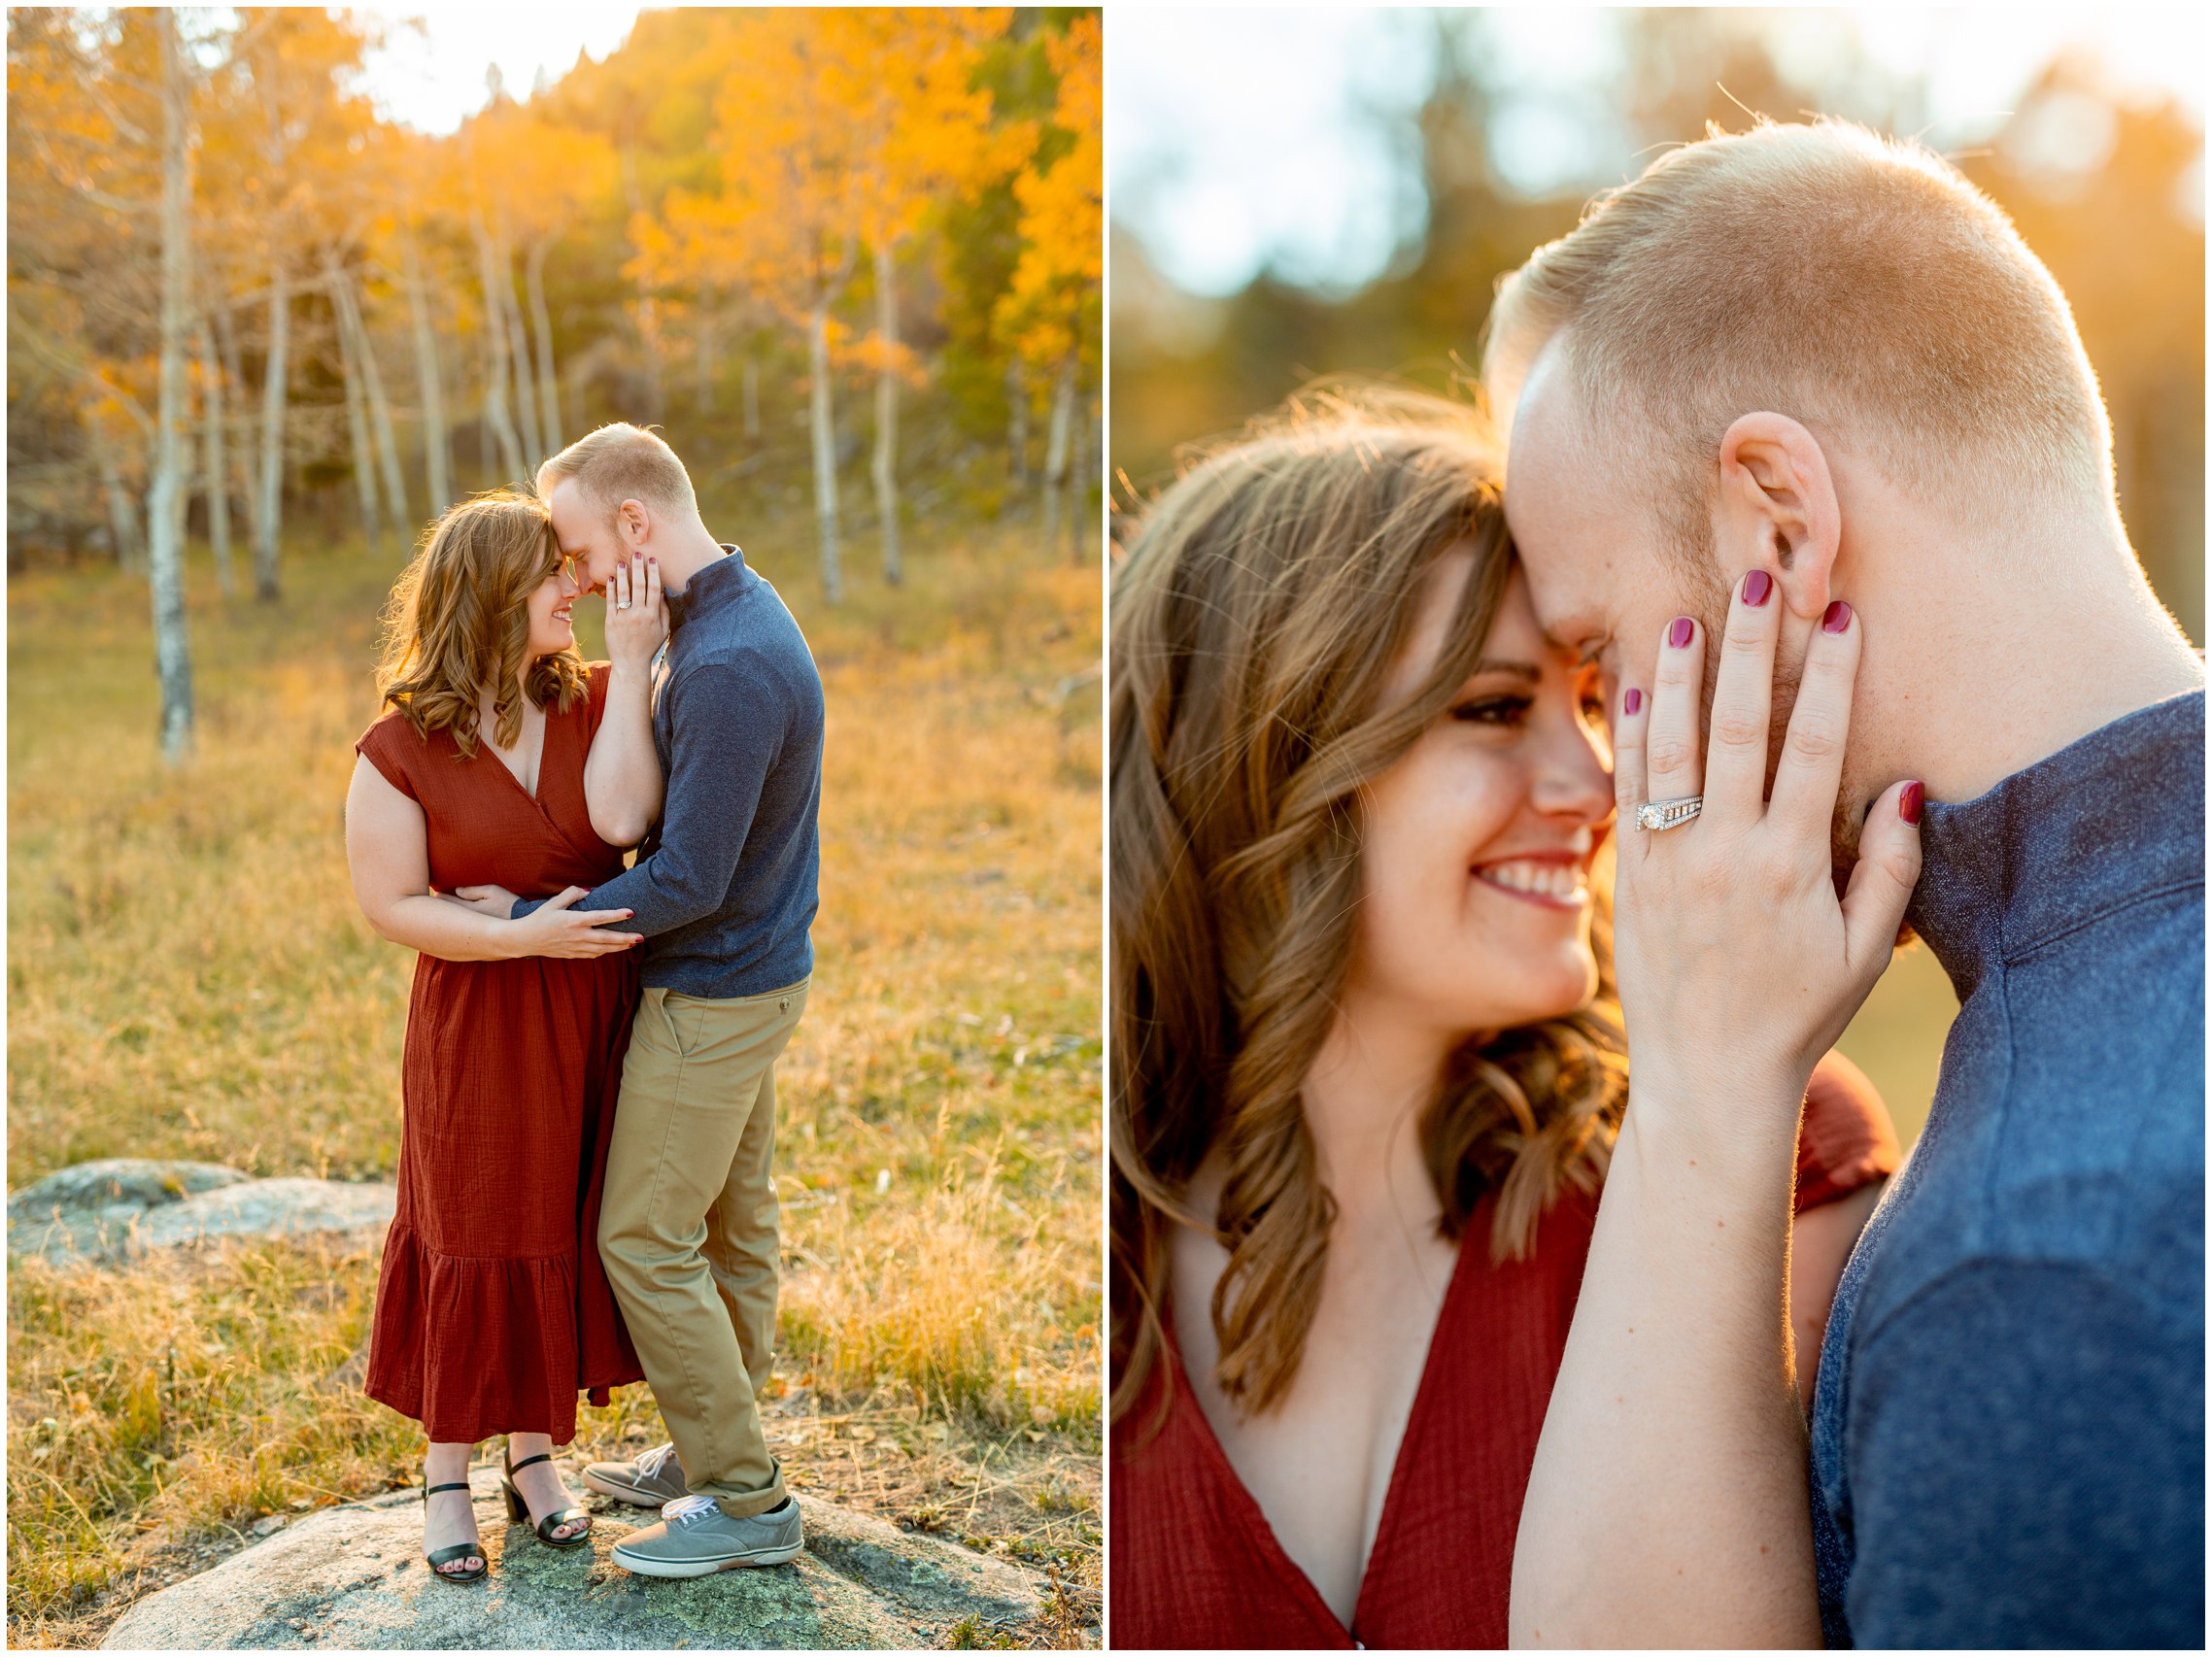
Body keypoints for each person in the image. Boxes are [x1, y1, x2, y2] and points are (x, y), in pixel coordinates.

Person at [1487, 119, 2204, 1648]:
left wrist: (1691, 1076)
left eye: (1606, 656)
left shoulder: (2037, 1272)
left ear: (1781, 526)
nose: (1615, 775)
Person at [1106, 389, 1901, 1648]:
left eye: (1594, 700)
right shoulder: (1096, 1224)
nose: (1597, 783)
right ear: (1259, 764)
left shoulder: (1774, 1156)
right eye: (1492, 706)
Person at [448, 424, 825, 1580]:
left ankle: (746, 1498)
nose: (564, 572)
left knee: (642, 1239)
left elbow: (686, 877)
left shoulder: (724, 663)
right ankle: (713, 1442)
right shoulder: (719, 617)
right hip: (756, 972)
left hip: (712, 990)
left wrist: (527, 924)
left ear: (633, 526)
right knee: (733, 1227)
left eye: (570, 544)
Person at [344, 490, 668, 1583]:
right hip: (482, 1023)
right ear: (489, 592)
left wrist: (632, 652)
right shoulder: (399, 747)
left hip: (594, 1014)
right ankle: (445, 1468)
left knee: (563, 1217)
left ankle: (533, 1455)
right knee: (479, 1222)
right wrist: (511, 926)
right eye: (553, 572)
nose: (575, 585)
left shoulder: (602, 698)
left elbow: (627, 826)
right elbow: (391, 901)